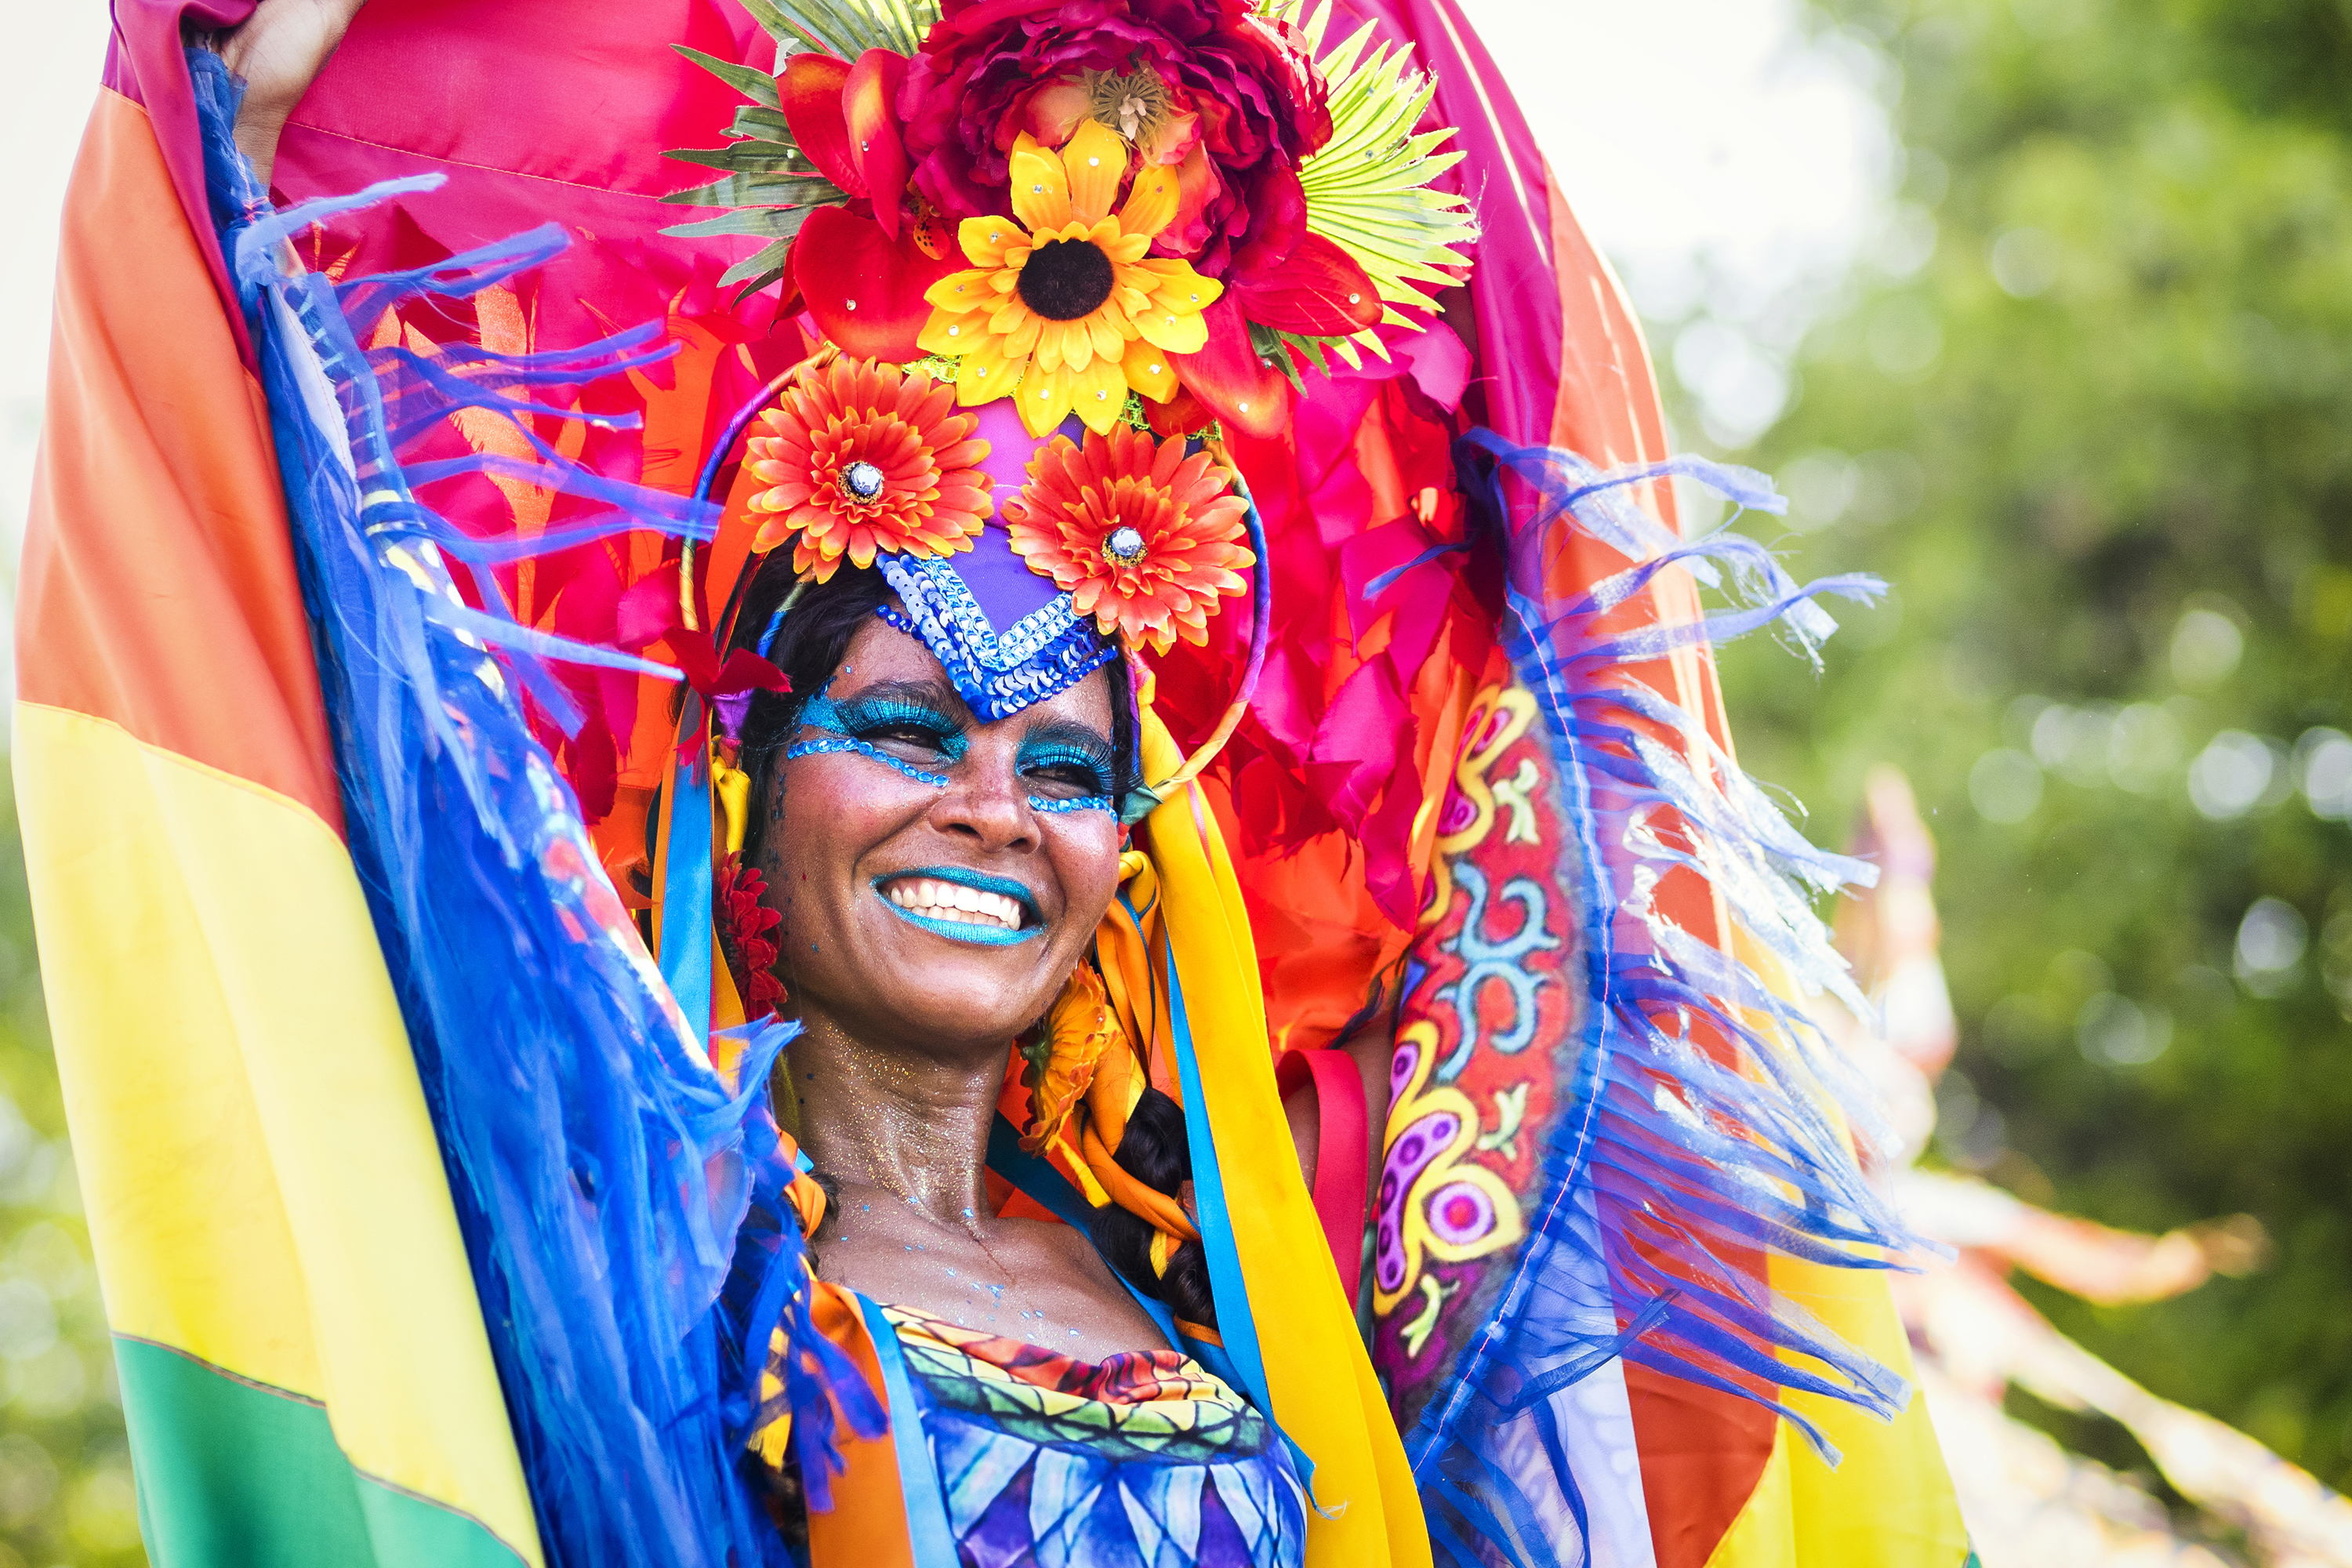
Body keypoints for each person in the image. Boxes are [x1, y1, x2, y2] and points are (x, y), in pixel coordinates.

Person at [18, 0, 1980, 1563]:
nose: (992, 804)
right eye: (899, 727)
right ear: (747, 775)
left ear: (1132, 845)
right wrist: (246, 150)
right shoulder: (626, 1263)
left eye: (1063, 761)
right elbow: (329, 672)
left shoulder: (1242, 1284)